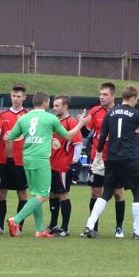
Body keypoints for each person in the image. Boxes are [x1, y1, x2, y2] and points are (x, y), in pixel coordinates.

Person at [7, 91, 89, 238]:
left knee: (36, 194)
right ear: (45, 103)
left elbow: (11, 137)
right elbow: (69, 136)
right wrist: (81, 124)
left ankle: (39, 230)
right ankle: (16, 219)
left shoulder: (24, 118)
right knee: (43, 195)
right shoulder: (51, 118)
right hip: (41, 159)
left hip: (27, 159)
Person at [81, 85, 139, 240]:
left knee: (107, 192)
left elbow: (102, 137)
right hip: (129, 158)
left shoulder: (110, 113)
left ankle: (89, 226)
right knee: (138, 191)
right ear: (134, 98)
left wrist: (99, 154)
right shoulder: (136, 114)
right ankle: (137, 231)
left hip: (111, 158)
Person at [0, 84, 28, 235]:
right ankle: (0, 226)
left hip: (21, 161)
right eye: (13, 96)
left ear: (24, 97)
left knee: (22, 193)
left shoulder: (28, 115)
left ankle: (18, 226)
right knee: (1, 193)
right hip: (2, 160)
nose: (16, 99)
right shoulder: (1, 115)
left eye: (19, 96)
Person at [83, 82, 117, 237]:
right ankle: (93, 228)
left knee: (118, 193)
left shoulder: (120, 111)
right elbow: (85, 133)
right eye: (101, 94)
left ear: (113, 96)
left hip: (116, 159)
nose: (102, 97)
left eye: (105, 94)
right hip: (97, 158)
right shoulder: (95, 111)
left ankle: (119, 229)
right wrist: (82, 123)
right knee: (95, 191)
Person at [47, 95, 83, 237]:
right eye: (54, 105)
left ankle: (64, 228)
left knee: (63, 194)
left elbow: (78, 143)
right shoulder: (54, 121)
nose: (54, 108)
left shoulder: (71, 122)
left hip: (63, 165)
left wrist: (73, 162)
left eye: (57, 105)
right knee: (52, 194)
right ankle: (53, 225)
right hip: (51, 164)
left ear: (65, 107)